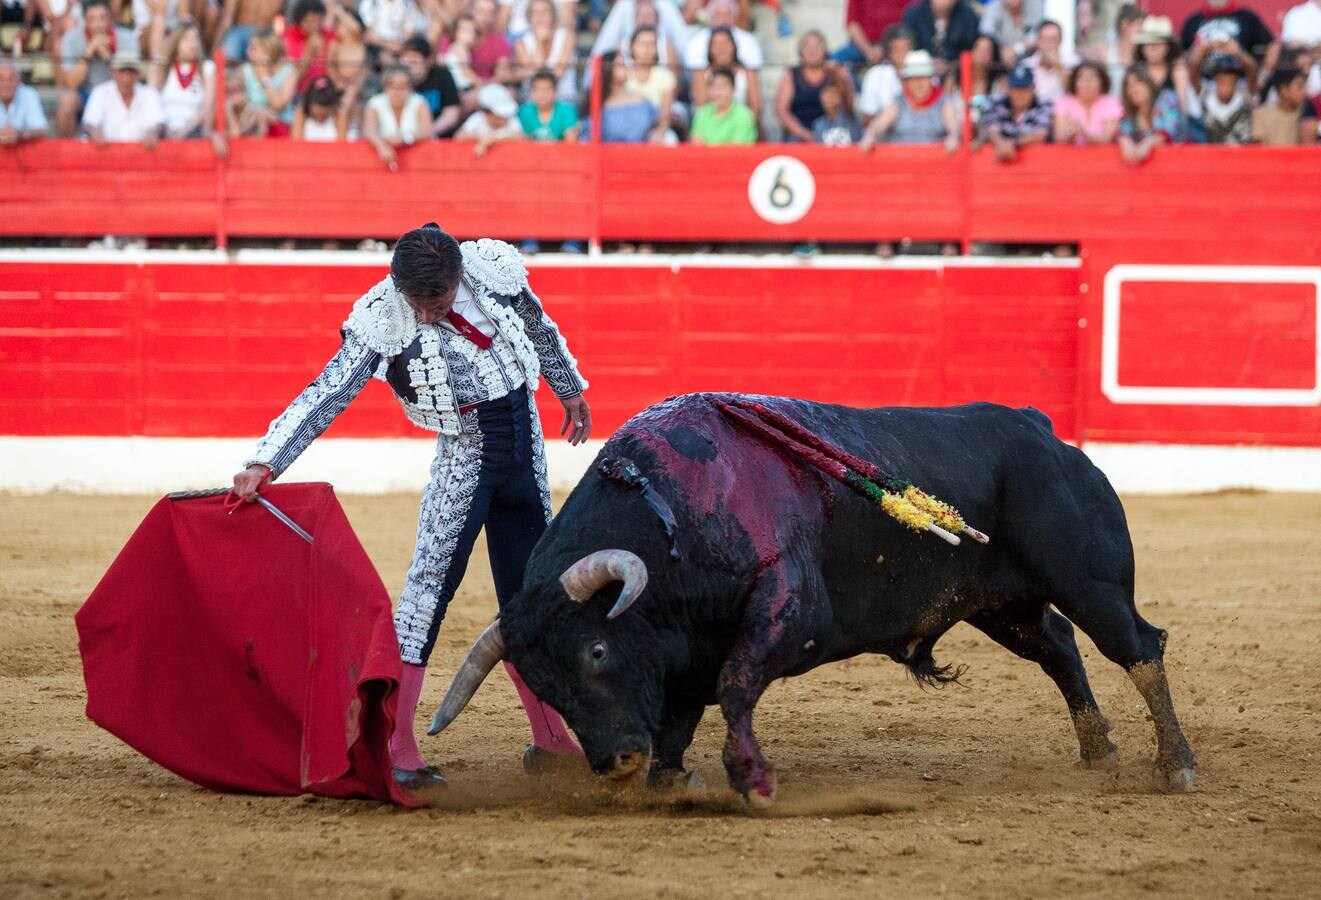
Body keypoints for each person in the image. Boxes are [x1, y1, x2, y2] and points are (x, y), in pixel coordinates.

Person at [231, 223, 592, 788]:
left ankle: (550, 739)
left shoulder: (492, 272)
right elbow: (330, 390)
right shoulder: (384, 317)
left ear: (457, 279)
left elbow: (538, 328)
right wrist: (266, 461)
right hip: (466, 456)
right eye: (416, 304)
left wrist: (568, 386)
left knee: (531, 595)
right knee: (427, 591)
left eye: (438, 303)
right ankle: (395, 745)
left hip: (525, 448)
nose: (426, 316)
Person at [518, 68, 582, 254]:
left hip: (563, 168)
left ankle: (573, 239)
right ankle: (530, 238)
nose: (542, 94)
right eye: (538, 89)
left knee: (571, 192)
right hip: (533, 169)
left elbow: (571, 144)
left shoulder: (566, 111)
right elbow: (521, 142)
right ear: (531, 92)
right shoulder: (525, 112)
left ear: (555, 92)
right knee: (528, 191)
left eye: (547, 89)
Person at [54, 0, 135, 137]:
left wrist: (107, 57)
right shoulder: (71, 38)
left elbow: (129, 79)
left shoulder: (127, 38)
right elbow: (71, 83)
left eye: (102, 18)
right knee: (67, 100)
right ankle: (65, 151)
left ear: (110, 18)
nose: (98, 24)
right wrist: (88, 53)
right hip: (85, 93)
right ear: (85, 21)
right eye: (92, 19)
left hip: (116, 93)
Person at [859, 48, 959, 149]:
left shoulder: (943, 100)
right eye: (913, 79)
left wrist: (952, 139)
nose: (918, 84)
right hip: (900, 160)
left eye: (923, 78)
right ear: (907, 82)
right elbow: (879, 125)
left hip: (935, 160)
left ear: (930, 79)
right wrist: (870, 136)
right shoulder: (899, 101)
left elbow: (954, 130)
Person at [150, 21, 220, 148]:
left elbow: (206, 107)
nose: (193, 43)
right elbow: (151, 102)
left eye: (196, 38)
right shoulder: (162, 68)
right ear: (176, 42)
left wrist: (182, 133)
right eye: (186, 38)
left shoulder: (207, 68)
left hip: (193, 131)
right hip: (163, 130)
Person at [775, 29, 851, 143]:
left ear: (825, 50)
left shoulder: (833, 73)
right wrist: (804, 134)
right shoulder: (791, 74)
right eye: (807, 47)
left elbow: (848, 105)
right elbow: (781, 111)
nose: (812, 51)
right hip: (797, 133)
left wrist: (841, 75)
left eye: (817, 46)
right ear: (800, 51)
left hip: (830, 131)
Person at [82, 49, 164, 145]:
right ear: (113, 73)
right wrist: (94, 133)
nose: (126, 78)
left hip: (141, 153)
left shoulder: (150, 94)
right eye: (122, 72)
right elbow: (89, 122)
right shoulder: (101, 92)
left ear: (138, 74)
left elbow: (158, 123)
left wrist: (153, 134)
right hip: (106, 153)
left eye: (131, 72)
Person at [365, 64, 433, 167]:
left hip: (419, 161)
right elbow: (369, 130)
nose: (397, 92)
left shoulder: (419, 102)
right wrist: (381, 146)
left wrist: (405, 138)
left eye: (402, 87)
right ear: (385, 87)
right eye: (393, 87)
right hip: (383, 163)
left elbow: (427, 130)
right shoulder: (375, 103)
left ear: (410, 87)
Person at [980, 62, 1051, 161]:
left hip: (1036, 164)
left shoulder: (1043, 104)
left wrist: (1011, 144)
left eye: (1025, 89)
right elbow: (992, 129)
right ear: (1008, 88)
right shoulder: (995, 101)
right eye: (1015, 89)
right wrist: (1001, 143)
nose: (1020, 94)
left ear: (1033, 88)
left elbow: (1041, 134)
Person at [690, 25, 761, 123]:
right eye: (716, 43)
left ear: (733, 45)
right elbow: (701, 105)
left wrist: (743, 125)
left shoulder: (747, 72)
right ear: (709, 48)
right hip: (710, 125)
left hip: (741, 124)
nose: (721, 48)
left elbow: (755, 106)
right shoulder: (701, 73)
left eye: (725, 43)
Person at [232, 27, 296, 137]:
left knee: (258, 112)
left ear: (268, 51)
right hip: (251, 121)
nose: (248, 52)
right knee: (253, 111)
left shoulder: (288, 72)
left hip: (280, 124)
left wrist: (264, 76)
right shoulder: (246, 70)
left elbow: (277, 105)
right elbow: (237, 97)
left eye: (253, 48)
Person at [1118, 64, 1184, 164]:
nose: (1132, 88)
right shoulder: (1130, 113)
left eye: (1138, 82)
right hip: (1150, 170)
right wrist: (1124, 141)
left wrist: (1148, 143)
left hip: (1179, 161)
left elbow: (1170, 129)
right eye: (1128, 84)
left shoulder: (1166, 97)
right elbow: (1122, 132)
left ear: (1148, 83)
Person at [590, 49, 662, 142]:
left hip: (642, 153)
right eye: (621, 65)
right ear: (607, 70)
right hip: (608, 154)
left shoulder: (641, 98)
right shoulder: (597, 101)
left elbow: (657, 122)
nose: (627, 68)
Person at [400, 35, 461, 138]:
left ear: (428, 61)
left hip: (438, 137)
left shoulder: (442, 75)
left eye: (415, 59)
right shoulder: (396, 77)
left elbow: (452, 114)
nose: (410, 65)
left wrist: (428, 132)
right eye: (407, 58)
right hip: (404, 136)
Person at [514, 0, 576, 101]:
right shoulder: (521, 42)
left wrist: (528, 72)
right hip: (532, 99)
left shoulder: (567, 38)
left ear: (553, 15)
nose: (540, 16)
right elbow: (536, 77)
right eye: (535, 12)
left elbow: (558, 73)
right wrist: (539, 42)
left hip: (563, 97)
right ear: (529, 16)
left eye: (544, 12)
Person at [1181, 0, 1275, 65]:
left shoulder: (1247, 17)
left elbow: (1273, 45)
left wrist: (1264, 76)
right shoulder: (1193, 20)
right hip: (1201, 81)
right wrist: (1196, 53)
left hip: (1241, 82)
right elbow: (1180, 54)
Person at [683, 0, 763, 75]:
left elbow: (752, 68)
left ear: (734, 16)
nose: (723, 19)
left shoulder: (748, 41)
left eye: (727, 14)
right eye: (718, 14)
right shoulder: (696, 42)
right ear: (711, 16)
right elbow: (695, 71)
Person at [900, 0, 979, 74]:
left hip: (957, 70)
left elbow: (970, 46)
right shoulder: (914, 14)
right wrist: (928, 62)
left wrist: (953, 65)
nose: (943, 2)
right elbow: (908, 45)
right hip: (920, 69)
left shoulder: (968, 15)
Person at [1052, 59, 1121, 145]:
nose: (1087, 82)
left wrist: (1084, 134)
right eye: (1081, 77)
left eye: (1093, 77)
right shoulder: (1063, 103)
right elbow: (1059, 137)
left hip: (1102, 156)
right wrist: (1069, 134)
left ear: (1102, 82)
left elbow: (1107, 138)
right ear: (1074, 83)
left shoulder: (1111, 103)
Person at [624, 26, 678, 134]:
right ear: (632, 46)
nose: (647, 48)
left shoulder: (666, 76)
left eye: (651, 43)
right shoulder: (622, 74)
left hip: (654, 129)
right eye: (642, 43)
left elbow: (665, 115)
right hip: (625, 128)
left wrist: (660, 133)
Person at [857, 25, 912, 124]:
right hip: (884, 134)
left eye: (905, 48)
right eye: (896, 49)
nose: (902, 54)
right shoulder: (875, 74)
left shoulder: (924, 73)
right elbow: (867, 117)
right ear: (888, 52)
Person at [832, 0, 910, 68]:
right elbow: (852, 24)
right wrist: (869, 51)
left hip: (895, 46)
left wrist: (886, 49)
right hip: (862, 46)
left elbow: (912, 19)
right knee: (831, 62)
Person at [690, 65, 757, 144]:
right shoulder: (702, 113)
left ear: (733, 89)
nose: (717, 92)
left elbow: (736, 148)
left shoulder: (744, 115)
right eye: (713, 86)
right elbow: (696, 144)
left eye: (722, 87)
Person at [1252, 66, 1318, 143]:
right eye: (1300, 86)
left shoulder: (1308, 115)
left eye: (1305, 86)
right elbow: (1260, 149)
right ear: (1284, 90)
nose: (1305, 91)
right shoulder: (1262, 114)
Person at [455, 80, 522, 156]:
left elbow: (521, 136)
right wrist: (480, 137)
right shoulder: (477, 119)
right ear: (486, 113)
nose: (504, 118)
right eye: (499, 115)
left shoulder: (511, 119)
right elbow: (459, 136)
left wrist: (494, 139)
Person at [283, 0, 335, 94]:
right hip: (300, 92)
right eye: (309, 21)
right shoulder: (289, 38)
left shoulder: (327, 35)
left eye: (318, 20)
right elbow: (295, 78)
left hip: (324, 91)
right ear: (299, 21)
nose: (314, 25)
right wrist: (309, 51)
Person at [1200, 52, 1252, 143]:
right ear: (1215, 80)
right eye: (1222, 81)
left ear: (1236, 82)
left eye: (1231, 81)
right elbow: (1193, 68)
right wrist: (1205, 48)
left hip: (1240, 154)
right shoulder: (1206, 97)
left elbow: (1252, 71)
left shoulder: (1244, 98)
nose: (1226, 86)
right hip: (1213, 154)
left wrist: (1237, 51)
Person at [1021, 19, 1076, 104]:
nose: (1050, 44)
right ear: (1038, 41)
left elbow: (1076, 94)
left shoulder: (1073, 63)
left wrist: (1058, 67)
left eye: (1054, 39)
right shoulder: (1025, 66)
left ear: (1061, 41)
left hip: (1064, 113)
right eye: (1045, 39)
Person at [360, 0, 425, 69]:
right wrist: (389, 45)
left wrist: (401, 47)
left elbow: (409, 32)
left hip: (400, 46)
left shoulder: (406, 3)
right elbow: (367, 35)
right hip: (376, 47)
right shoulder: (370, 2)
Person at [978, 0, 1043, 65]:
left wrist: (1015, 50)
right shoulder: (994, 6)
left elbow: (1040, 33)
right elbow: (986, 32)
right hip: (1000, 54)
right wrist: (1002, 49)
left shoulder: (1036, 5)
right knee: (984, 44)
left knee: (1047, 38)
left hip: (1031, 55)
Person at [217, 0, 281, 64]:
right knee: (226, 59)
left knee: (264, 59)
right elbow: (227, 20)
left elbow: (282, 23)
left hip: (263, 33)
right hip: (239, 31)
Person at [0, 58, 48, 144]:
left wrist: (19, 134)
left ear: (19, 80)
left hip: (22, 153)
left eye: (11, 78)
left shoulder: (29, 94)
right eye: (1, 78)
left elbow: (41, 130)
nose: (6, 83)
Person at [469, 0, 514, 86]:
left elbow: (502, 75)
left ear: (495, 16)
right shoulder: (454, 35)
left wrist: (479, 89)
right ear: (472, 12)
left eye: (490, 13)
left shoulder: (500, 42)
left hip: (487, 89)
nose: (485, 17)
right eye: (480, 11)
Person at [812, 70, 862, 145]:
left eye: (834, 94)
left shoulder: (851, 119)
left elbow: (849, 94)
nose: (829, 98)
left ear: (841, 96)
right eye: (826, 94)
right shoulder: (818, 124)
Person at [292, 73, 347, 139]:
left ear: (331, 107)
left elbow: (341, 144)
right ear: (309, 105)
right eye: (316, 114)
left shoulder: (338, 116)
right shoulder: (301, 114)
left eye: (324, 115)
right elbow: (296, 142)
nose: (320, 118)